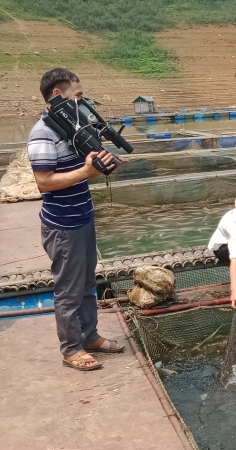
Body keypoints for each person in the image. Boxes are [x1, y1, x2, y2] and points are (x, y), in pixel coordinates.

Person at [27, 68, 124, 371]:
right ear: (57, 95)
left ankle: (89, 335)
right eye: (78, 95)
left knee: (86, 284)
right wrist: (85, 172)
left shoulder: (71, 128)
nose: (82, 101)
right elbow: (44, 182)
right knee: (68, 289)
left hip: (83, 216)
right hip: (63, 225)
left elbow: (83, 167)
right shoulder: (43, 132)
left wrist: (104, 164)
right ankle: (71, 349)